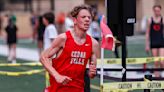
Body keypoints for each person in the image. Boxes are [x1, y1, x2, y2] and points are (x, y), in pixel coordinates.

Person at [40, 4, 99, 92]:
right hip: (58, 89)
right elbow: (43, 57)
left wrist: (92, 73)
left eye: (89, 18)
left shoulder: (94, 44)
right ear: (75, 20)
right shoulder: (63, 38)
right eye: (83, 17)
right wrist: (57, 76)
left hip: (78, 89)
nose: (87, 19)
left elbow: (91, 73)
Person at [145, 5, 164, 77]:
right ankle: (157, 77)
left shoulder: (162, 20)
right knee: (156, 62)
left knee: (162, 61)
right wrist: (147, 45)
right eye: (155, 10)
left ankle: (161, 72)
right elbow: (147, 33)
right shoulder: (150, 20)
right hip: (153, 42)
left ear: (160, 11)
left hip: (161, 42)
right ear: (153, 11)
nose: (157, 12)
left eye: (158, 10)